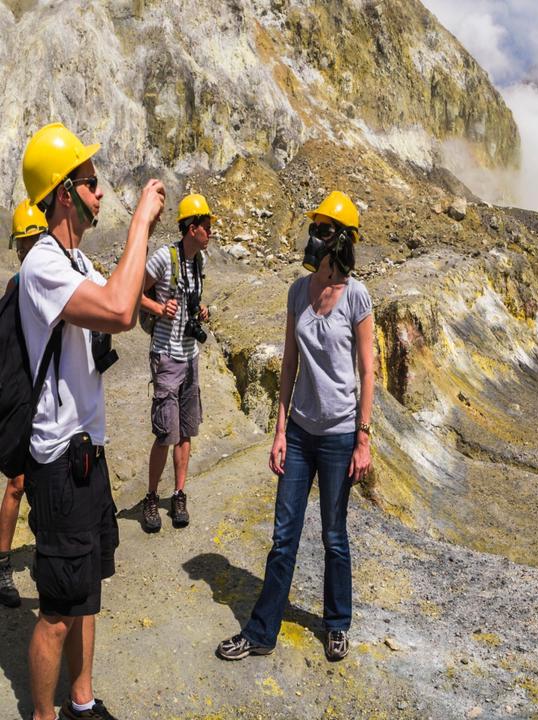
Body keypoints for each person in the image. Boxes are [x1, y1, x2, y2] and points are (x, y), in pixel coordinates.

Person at [19, 122, 165, 720]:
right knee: (55, 611)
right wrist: (139, 227)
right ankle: (46, 715)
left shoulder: (72, 257)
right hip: (59, 463)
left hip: (88, 454)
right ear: (63, 194)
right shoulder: (42, 268)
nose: (100, 192)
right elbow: (118, 311)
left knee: (87, 592)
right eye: (91, 182)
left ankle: (82, 700)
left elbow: (122, 299)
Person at [216, 190, 373, 664]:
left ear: (342, 240)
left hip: (341, 435)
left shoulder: (357, 296)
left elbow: (369, 371)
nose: (314, 237)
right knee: (284, 534)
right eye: (315, 228)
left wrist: (363, 438)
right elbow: (289, 364)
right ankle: (262, 631)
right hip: (301, 434)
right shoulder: (295, 292)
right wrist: (280, 430)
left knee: (333, 536)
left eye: (324, 230)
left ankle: (337, 623)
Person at [137, 193, 213, 533]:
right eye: (207, 226)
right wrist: (158, 308)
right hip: (167, 355)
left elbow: (192, 299)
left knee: (186, 431)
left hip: (190, 356)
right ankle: (152, 497)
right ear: (192, 228)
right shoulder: (163, 259)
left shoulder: (200, 262)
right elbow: (133, 292)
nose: (211, 232)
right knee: (166, 433)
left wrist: (201, 310)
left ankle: (179, 493)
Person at [0, 200, 48, 609]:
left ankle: (45, 551)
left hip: (45, 399)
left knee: (41, 479)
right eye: (25, 243)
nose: (30, 248)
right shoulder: (18, 285)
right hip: (23, 398)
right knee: (17, 482)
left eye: (35, 239)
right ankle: (2, 566)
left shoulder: (51, 279)